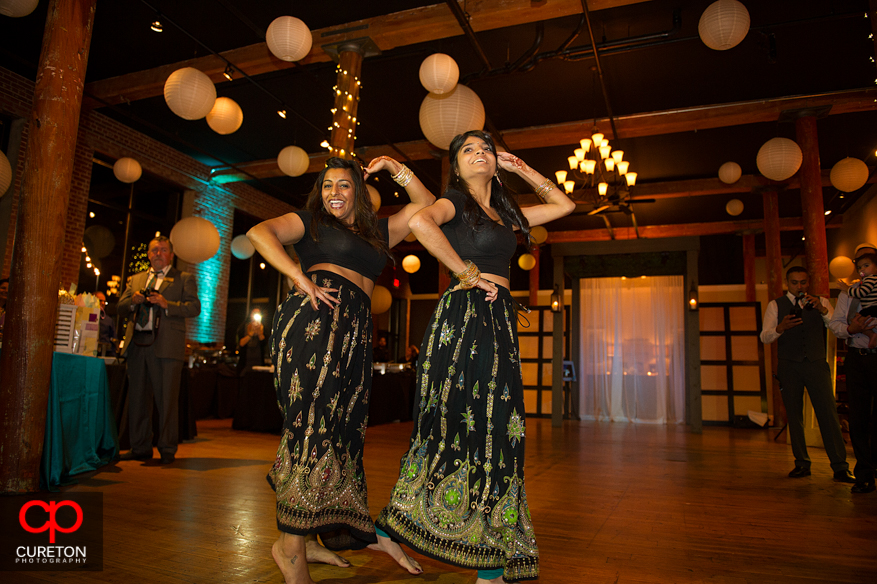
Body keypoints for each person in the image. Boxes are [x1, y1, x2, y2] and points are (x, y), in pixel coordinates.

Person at [376, 130, 575, 584]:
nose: (480, 154)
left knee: (500, 427)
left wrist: (520, 168)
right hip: (463, 318)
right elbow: (423, 224)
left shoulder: (507, 214)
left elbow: (565, 206)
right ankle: (482, 564)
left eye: (485, 148)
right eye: (469, 150)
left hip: (499, 321)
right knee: (461, 426)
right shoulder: (453, 202)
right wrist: (466, 272)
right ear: (456, 166)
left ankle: (407, 531)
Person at [246, 155, 434, 584]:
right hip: (315, 321)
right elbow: (260, 233)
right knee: (310, 427)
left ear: (360, 193)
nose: (334, 192)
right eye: (328, 185)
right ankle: (289, 550)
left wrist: (395, 170)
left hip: (354, 332)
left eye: (344, 185)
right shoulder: (309, 221)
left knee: (339, 430)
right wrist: (297, 274)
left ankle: (308, 536)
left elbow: (426, 203)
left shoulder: (380, 231)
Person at [759, 266, 853, 483]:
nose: (799, 286)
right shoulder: (776, 305)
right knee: (794, 415)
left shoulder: (821, 302)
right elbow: (765, 336)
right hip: (789, 365)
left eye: (803, 282)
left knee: (828, 414)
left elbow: (837, 328)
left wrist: (822, 309)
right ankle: (801, 463)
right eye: (794, 282)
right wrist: (780, 328)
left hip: (816, 364)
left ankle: (839, 466)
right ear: (787, 283)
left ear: (808, 282)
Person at [117, 236, 201, 464]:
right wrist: (133, 301)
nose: (158, 254)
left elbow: (194, 308)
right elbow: (119, 307)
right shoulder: (136, 280)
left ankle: (166, 448)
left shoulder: (183, 278)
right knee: (137, 399)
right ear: (148, 254)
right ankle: (140, 446)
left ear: (171, 255)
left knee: (166, 400)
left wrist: (167, 304)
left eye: (163, 250)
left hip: (166, 347)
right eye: (154, 250)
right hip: (137, 345)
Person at [829, 243, 877, 494]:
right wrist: (851, 329)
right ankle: (864, 474)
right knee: (858, 418)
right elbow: (836, 324)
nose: (861, 270)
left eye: (865, 264)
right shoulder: (849, 293)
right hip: (857, 357)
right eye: (858, 265)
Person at [838, 252, 877, 348]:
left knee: (859, 321)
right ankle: (872, 335)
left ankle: (872, 335)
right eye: (859, 267)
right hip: (856, 352)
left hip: (872, 308)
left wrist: (847, 289)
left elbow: (861, 293)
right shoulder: (868, 280)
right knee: (858, 320)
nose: (862, 269)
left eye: (866, 265)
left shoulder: (870, 279)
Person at [237, 308, 266, 372]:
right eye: (254, 313)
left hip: (259, 363)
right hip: (245, 364)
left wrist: (259, 332)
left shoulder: (263, 327)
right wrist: (251, 333)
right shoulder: (243, 327)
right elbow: (241, 343)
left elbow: (264, 343)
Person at [95, 291, 117, 356]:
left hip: (104, 353)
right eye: (100, 300)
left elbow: (113, 339)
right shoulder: (87, 316)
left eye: (104, 301)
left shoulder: (108, 320)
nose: (102, 303)